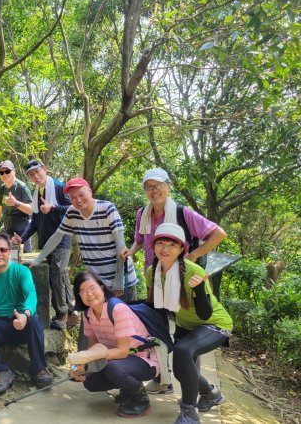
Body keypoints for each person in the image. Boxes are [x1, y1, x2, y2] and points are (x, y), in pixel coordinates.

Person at [120, 167, 226, 394]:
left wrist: (192, 256)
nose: (154, 190)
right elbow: (140, 240)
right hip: (155, 278)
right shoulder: (143, 213)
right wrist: (131, 250)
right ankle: (161, 378)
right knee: (156, 328)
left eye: (158, 185)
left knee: (186, 333)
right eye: (149, 187)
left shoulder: (182, 213)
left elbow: (219, 233)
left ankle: (193, 389)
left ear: (168, 186)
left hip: (183, 280)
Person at [147, 223, 232, 424]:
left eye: (171, 244)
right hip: (186, 324)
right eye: (160, 243)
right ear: (154, 246)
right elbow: (154, 305)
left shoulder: (192, 271)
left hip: (215, 324)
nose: (165, 249)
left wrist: (200, 288)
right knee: (180, 370)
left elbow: (205, 314)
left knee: (184, 351)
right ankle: (211, 394)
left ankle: (189, 412)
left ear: (181, 249)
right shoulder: (153, 271)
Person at [0, 233, 54, 397]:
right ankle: (1, 371)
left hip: (20, 322)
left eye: (3, 249)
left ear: (9, 252)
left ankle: (39, 370)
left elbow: (31, 294)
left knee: (34, 319)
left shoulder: (21, 271)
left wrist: (25, 315)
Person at [67, 270, 158, 418]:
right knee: (90, 382)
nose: (89, 294)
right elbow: (92, 348)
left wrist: (94, 355)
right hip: (117, 360)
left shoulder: (117, 309)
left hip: (143, 359)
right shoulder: (88, 314)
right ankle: (127, 389)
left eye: (92, 288)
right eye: (83, 291)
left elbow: (122, 351)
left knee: (112, 368)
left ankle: (140, 399)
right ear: (78, 296)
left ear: (101, 287)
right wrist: (78, 366)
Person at [31, 178, 137, 299]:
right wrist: (38, 259)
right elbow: (57, 237)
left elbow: (121, 246)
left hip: (120, 281)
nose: (78, 200)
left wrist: (119, 278)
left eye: (81, 195)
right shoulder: (72, 212)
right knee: (100, 317)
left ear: (90, 192)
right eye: (73, 197)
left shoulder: (107, 208)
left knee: (125, 316)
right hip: (96, 282)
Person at [11, 160, 76, 330]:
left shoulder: (58, 187)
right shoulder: (37, 192)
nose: (35, 176)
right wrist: (22, 239)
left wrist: (53, 207)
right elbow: (35, 222)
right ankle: (72, 312)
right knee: (61, 276)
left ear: (45, 170)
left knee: (57, 275)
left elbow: (73, 208)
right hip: (47, 241)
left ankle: (62, 315)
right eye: (31, 175)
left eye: (38, 172)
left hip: (61, 238)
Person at [0, 160, 33, 252]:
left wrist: (16, 203)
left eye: (7, 171)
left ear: (14, 172)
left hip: (22, 232)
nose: (4, 174)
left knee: (24, 261)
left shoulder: (22, 187)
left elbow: (32, 210)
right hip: (8, 231)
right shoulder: (2, 188)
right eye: (2, 172)